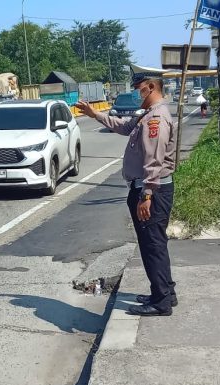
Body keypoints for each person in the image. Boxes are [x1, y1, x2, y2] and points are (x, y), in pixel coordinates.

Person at [76, 71, 177, 316]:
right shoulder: (147, 115)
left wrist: (147, 195)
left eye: (138, 88)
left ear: (151, 87)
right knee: (154, 243)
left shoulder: (156, 119)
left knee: (152, 245)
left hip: (151, 190)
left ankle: (161, 302)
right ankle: (164, 291)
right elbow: (123, 126)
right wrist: (94, 114)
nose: (135, 92)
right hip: (147, 188)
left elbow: (154, 160)